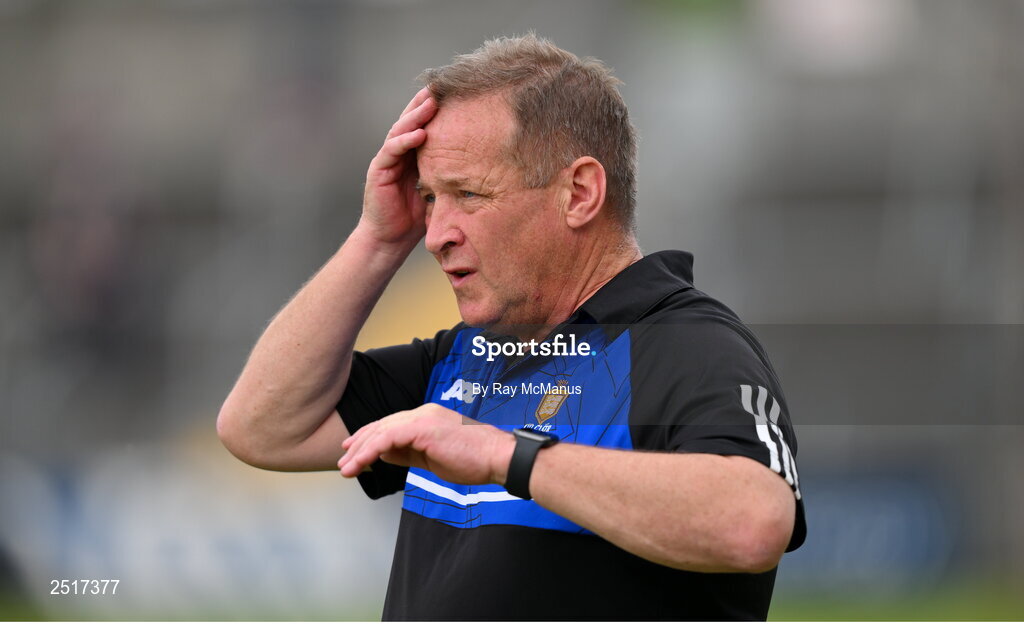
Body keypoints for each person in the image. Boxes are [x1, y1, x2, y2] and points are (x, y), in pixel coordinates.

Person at [218, 33, 806, 621]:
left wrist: (507, 455)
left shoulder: (684, 345)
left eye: (468, 194)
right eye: (429, 199)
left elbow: (754, 524)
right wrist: (377, 239)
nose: (435, 234)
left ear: (579, 193)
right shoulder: (466, 357)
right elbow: (263, 429)